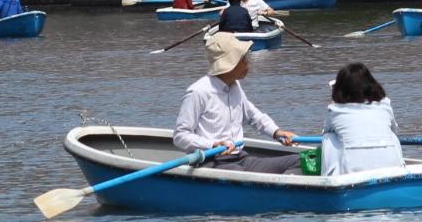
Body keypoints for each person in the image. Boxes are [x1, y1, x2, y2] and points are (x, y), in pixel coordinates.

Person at [173, 33, 303, 173]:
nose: (248, 63)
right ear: (230, 64)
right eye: (243, 59)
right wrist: (212, 144)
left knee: (299, 161)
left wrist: (277, 133)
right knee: (239, 172)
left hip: (240, 158)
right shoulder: (198, 92)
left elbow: (254, 116)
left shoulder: (235, 87)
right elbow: (180, 136)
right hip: (212, 162)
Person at [321, 63, 403, 175]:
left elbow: (326, 131)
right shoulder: (385, 106)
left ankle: (329, 177)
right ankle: (400, 166)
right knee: (392, 135)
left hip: (352, 172)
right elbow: (394, 130)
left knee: (328, 137)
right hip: (392, 170)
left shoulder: (335, 110)